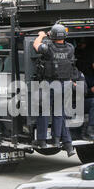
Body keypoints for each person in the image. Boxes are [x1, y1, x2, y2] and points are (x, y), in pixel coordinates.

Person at [33, 24, 76, 157]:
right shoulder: (70, 48)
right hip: (64, 84)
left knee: (44, 112)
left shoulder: (48, 48)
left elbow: (36, 45)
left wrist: (41, 35)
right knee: (59, 113)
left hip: (50, 83)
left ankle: (42, 141)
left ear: (52, 36)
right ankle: (57, 140)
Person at [73, 68, 94, 143]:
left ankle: (89, 131)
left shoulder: (77, 73)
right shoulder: (59, 74)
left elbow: (84, 90)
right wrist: (76, 86)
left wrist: (73, 85)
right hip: (65, 104)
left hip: (77, 103)